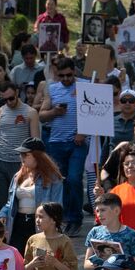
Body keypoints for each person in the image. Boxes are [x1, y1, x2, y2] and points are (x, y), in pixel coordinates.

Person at [37, 58, 85, 234]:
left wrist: (84, 131)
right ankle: (63, 218)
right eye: (62, 75)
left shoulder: (84, 86)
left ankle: (75, 218)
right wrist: (55, 112)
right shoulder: (53, 88)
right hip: (56, 142)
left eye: (69, 75)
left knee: (74, 179)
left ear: (74, 72)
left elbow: (95, 112)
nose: (65, 79)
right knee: (60, 182)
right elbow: (41, 115)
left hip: (77, 142)